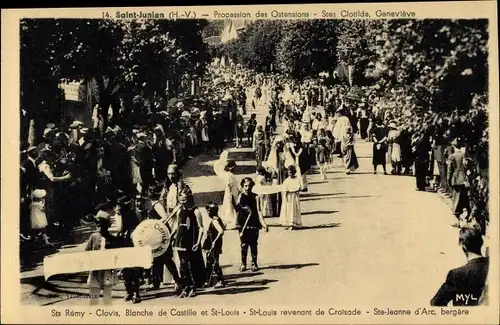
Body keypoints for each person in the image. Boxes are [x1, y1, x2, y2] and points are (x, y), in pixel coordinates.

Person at [431, 227, 489, 306]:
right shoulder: (493, 266)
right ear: (481, 243)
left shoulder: (456, 275)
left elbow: (436, 303)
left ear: (463, 247)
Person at [173, 188, 204, 298]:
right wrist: (172, 235)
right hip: (180, 241)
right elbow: (177, 226)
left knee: (192, 265)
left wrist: (198, 242)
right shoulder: (179, 211)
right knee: (182, 265)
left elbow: (201, 228)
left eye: (184, 201)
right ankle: (186, 287)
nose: (182, 203)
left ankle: (193, 287)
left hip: (191, 241)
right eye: (180, 201)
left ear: (190, 199)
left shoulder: (196, 211)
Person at [86, 210, 120, 305]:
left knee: (107, 296)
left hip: (107, 271)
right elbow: (87, 252)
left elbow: (117, 255)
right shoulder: (93, 237)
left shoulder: (112, 239)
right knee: (94, 295)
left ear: (107, 226)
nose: (99, 228)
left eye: (102, 225)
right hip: (95, 270)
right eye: (98, 225)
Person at [236, 178, 269, 272]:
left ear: (252, 186)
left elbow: (259, 211)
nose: (247, 188)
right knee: (243, 244)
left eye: (249, 186)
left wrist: (264, 224)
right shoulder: (240, 196)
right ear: (242, 186)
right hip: (242, 223)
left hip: (253, 223)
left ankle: (254, 263)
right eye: (245, 186)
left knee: (253, 244)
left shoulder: (256, 197)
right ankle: (243, 263)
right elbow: (237, 210)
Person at [202, 202, 226, 288]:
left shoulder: (214, 220)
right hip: (214, 242)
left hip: (213, 243)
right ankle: (209, 280)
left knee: (213, 261)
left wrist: (214, 241)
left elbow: (221, 231)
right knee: (210, 261)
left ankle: (220, 280)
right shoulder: (217, 219)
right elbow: (224, 227)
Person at [448, 138, 471, 225]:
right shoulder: (465, 156)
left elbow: (449, 171)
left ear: (454, 146)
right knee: (464, 200)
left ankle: (457, 221)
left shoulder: (452, 156)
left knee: (456, 200)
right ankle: (465, 220)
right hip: (465, 181)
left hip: (456, 181)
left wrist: (449, 181)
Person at [213, 158, 240, 229]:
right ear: (231, 167)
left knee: (233, 205)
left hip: (234, 191)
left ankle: (235, 219)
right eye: (234, 167)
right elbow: (228, 185)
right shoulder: (229, 175)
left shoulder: (230, 174)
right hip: (231, 192)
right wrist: (230, 194)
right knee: (231, 205)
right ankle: (231, 219)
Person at [279, 165, 302, 230]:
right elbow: (284, 188)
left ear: (294, 172)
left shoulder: (297, 179)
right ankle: (289, 223)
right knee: (288, 210)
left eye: (291, 172)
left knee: (294, 209)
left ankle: (294, 224)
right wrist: (286, 191)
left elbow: (298, 188)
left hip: (294, 197)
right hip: (288, 197)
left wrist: (291, 189)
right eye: (289, 172)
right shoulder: (286, 180)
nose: (290, 174)